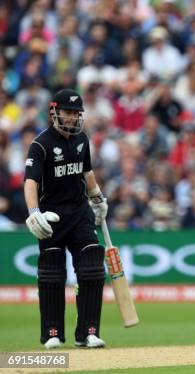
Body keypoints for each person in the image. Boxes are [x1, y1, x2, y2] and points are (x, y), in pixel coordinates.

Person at [24, 89, 108, 349]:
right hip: (51, 215)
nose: (72, 118)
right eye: (68, 112)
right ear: (55, 112)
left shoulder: (82, 139)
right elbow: (30, 182)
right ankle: (52, 332)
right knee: (51, 272)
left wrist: (98, 198)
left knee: (93, 265)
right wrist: (33, 212)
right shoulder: (40, 144)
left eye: (76, 113)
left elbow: (87, 172)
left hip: (79, 211)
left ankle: (88, 332)